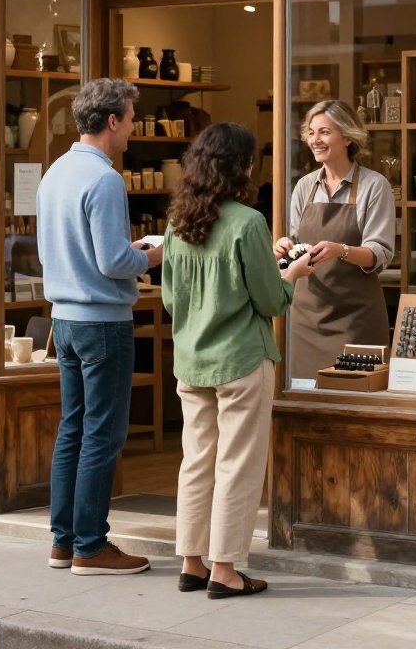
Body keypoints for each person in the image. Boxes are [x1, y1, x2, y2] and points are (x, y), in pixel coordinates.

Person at [162, 122, 313, 599]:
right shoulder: (248, 223)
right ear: (244, 167)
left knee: (196, 462)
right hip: (242, 359)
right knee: (237, 466)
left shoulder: (177, 223)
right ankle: (225, 569)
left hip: (192, 360)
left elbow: (170, 299)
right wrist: (293, 274)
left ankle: (191, 563)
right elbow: (271, 300)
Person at [36, 77, 164, 576]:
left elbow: (58, 252)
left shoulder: (55, 172)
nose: (133, 128)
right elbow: (113, 262)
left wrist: (128, 254)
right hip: (103, 322)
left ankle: (63, 542)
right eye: (130, 119)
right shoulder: (105, 179)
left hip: (64, 319)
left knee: (72, 430)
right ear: (112, 121)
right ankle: (91, 546)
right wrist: (153, 255)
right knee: (103, 435)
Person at [274, 99, 396, 380]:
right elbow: (296, 239)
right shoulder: (304, 186)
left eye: (325, 132)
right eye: (311, 132)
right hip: (306, 320)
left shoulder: (374, 186)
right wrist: (283, 246)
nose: (315, 140)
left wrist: (340, 250)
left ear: (347, 137)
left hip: (355, 320)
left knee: (354, 399)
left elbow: (380, 253)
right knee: (305, 399)